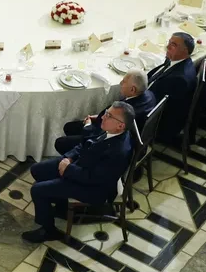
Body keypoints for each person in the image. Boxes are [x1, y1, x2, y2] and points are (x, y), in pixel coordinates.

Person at [21, 101, 134, 243]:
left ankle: (48, 231)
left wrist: (68, 169)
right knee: (37, 170)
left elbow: (93, 178)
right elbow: (84, 145)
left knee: (38, 190)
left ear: (120, 126)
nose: (103, 117)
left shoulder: (118, 152)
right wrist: (68, 158)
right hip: (81, 165)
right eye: (106, 113)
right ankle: (61, 207)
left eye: (109, 115)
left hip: (94, 189)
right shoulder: (110, 129)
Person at [54, 72, 155, 153]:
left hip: (108, 141)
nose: (120, 83)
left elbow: (102, 133)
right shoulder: (149, 95)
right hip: (116, 130)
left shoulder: (129, 111)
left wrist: (88, 125)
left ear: (133, 89)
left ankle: (79, 159)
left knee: (60, 143)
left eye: (123, 82)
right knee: (69, 127)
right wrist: (100, 116)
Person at [147, 32, 199, 141]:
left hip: (158, 124)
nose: (167, 46)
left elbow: (154, 105)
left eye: (173, 45)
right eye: (169, 42)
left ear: (185, 51)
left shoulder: (180, 79)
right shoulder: (179, 61)